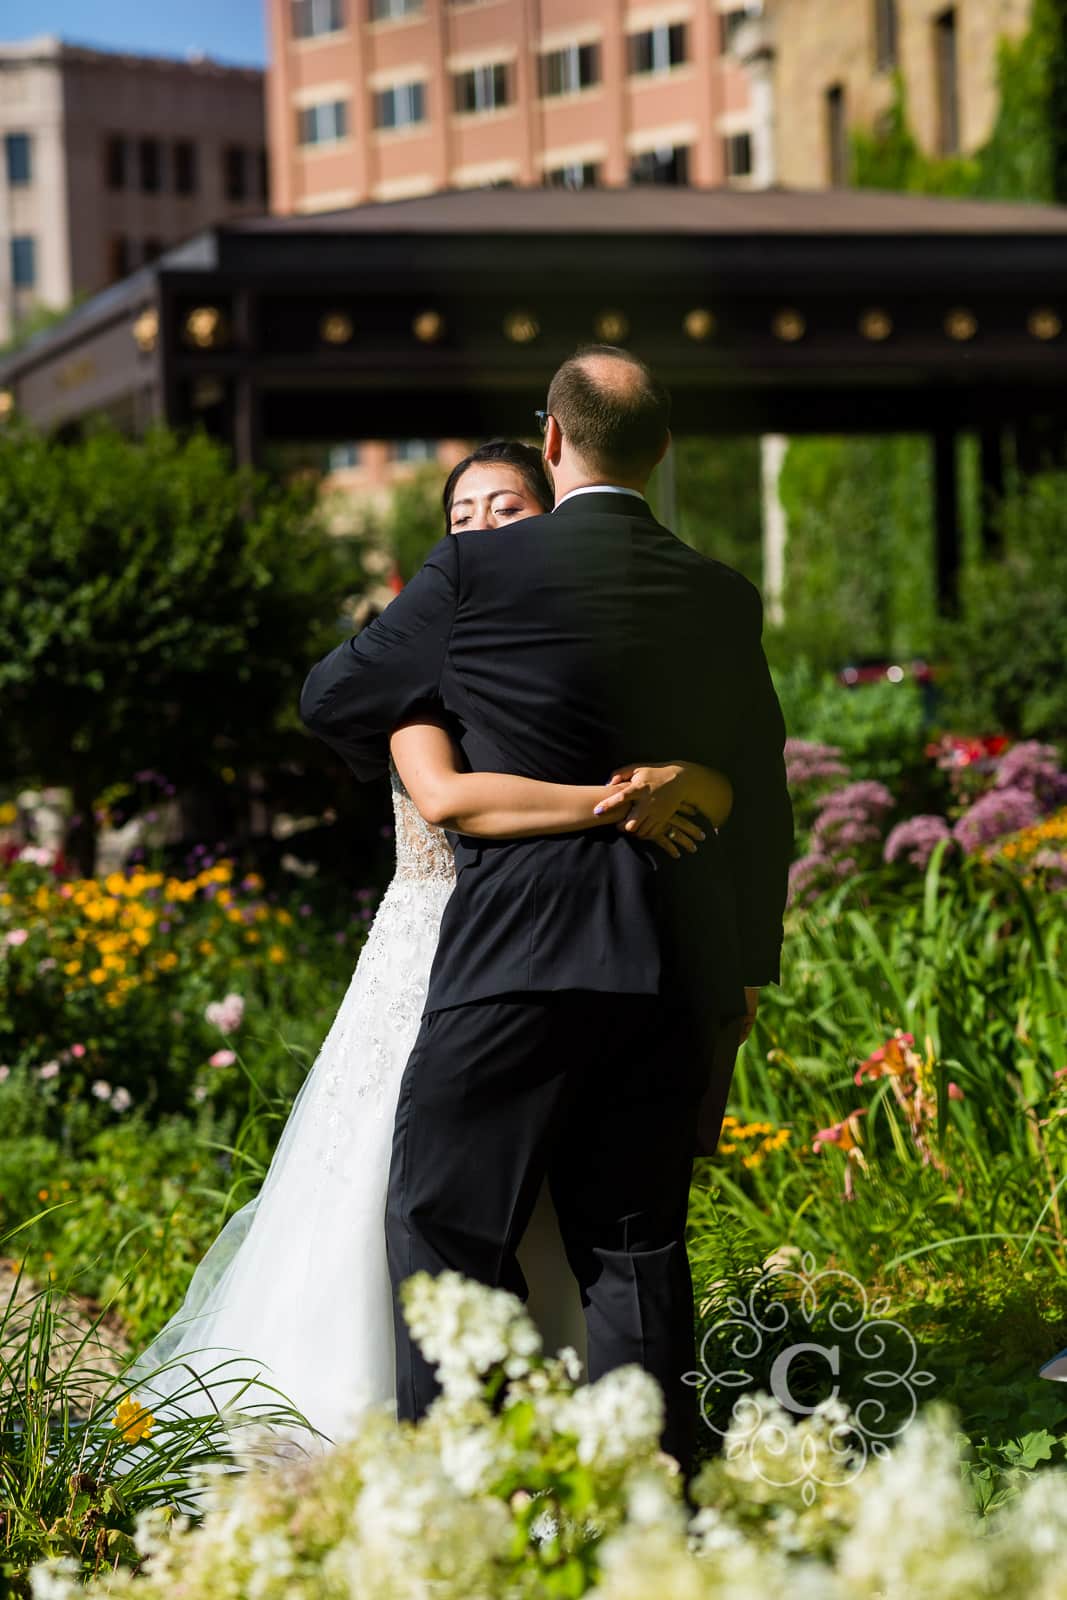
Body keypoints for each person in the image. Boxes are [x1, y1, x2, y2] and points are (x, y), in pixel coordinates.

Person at [122, 438, 733, 1449]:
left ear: (553, 511)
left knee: (574, 1217)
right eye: (464, 517)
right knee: (420, 1203)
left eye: (508, 507)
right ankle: (453, 1445)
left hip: (564, 950)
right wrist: (620, 799)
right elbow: (445, 796)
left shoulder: (590, 660)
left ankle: (596, 1432)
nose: (487, 527)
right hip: (442, 953)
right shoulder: (428, 663)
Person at [300, 347, 794, 1472]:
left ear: (554, 443)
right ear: (661, 451)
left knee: (442, 1225)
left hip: (516, 951)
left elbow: (331, 696)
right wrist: (744, 974)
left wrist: (443, 696)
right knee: (632, 1247)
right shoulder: (719, 592)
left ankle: (473, 1490)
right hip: (675, 960)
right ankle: (652, 1505)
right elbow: (758, 797)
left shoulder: (473, 577)